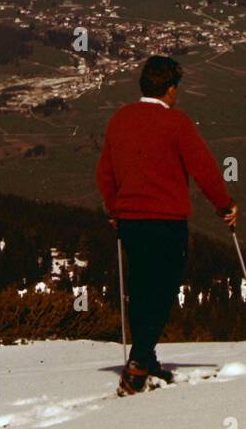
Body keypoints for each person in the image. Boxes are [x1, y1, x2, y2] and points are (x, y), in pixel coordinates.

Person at [96, 55, 237, 394]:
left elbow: (104, 172)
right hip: (166, 221)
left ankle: (145, 358)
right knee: (163, 289)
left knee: (142, 289)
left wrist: (115, 210)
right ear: (170, 90)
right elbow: (203, 169)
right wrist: (225, 206)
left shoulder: (120, 119)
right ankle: (139, 363)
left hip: (130, 220)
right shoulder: (176, 123)